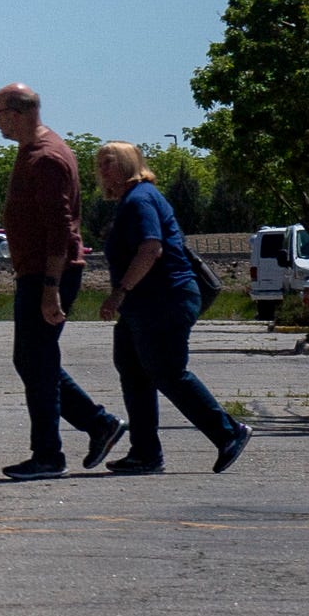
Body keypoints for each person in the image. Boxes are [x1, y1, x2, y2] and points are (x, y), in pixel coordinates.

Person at [96, 141, 251, 474]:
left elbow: (151, 248)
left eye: (108, 162)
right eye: (99, 163)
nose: (101, 169)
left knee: (167, 371)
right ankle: (145, 453)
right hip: (143, 305)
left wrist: (119, 292)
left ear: (127, 164)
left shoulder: (140, 199)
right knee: (133, 369)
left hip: (164, 299)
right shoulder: (131, 201)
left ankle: (228, 432)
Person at [0, 83, 122, 479]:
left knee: (38, 362)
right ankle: (99, 424)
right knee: (33, 360)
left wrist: (50, 289)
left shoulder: (46, 157)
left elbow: (60, 230)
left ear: (18, 114)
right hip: (38, 273)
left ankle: (49, 455)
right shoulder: (34, 151)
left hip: (48, 275)